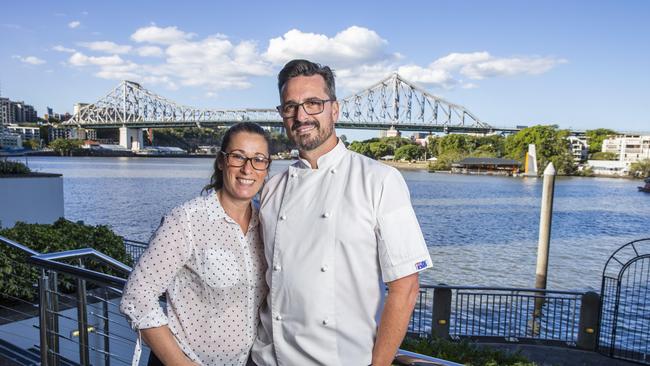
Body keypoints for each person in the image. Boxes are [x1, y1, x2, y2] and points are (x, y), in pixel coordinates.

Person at [251, 60, 433, 366]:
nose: (301, 115)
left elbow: (406, 287)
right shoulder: (271, 187)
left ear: (334, 110)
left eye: (313, 103)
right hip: (266, 359)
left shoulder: (379, 180)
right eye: (290, 106)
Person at [120, 122, 271, 366]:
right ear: (221, 161)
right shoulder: (186, 221)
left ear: (266, 168)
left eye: (258, 159)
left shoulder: (267, 225)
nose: (247, 169)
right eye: (238, 157)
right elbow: (136, 298)